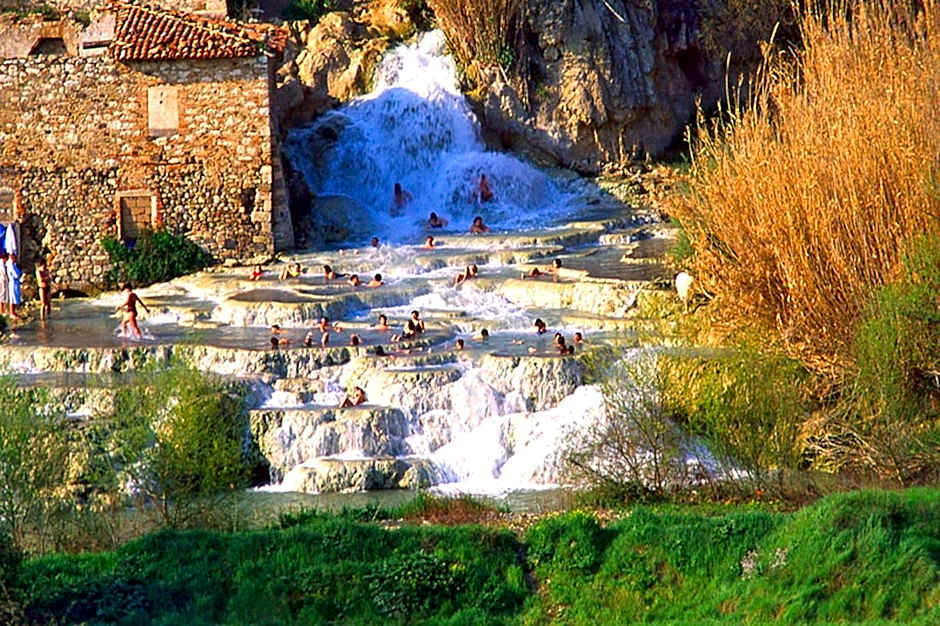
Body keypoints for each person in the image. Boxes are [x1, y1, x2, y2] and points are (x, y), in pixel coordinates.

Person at [6, 252, 22, 320]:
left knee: (15, 297)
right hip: (13, 282)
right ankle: (12, 313)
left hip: (16, 282)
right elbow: (16, 274)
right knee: (13, 297)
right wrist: (19, 274)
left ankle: (14, 312)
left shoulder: (13, 264)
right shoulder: (10, 265)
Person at [0, 252, 8, 316]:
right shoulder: (1, 263)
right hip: (2, 280)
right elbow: (3, 273)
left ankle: (3, 310)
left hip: (3, 280)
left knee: (3, 295)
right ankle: (1, 310)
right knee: (2, 295)